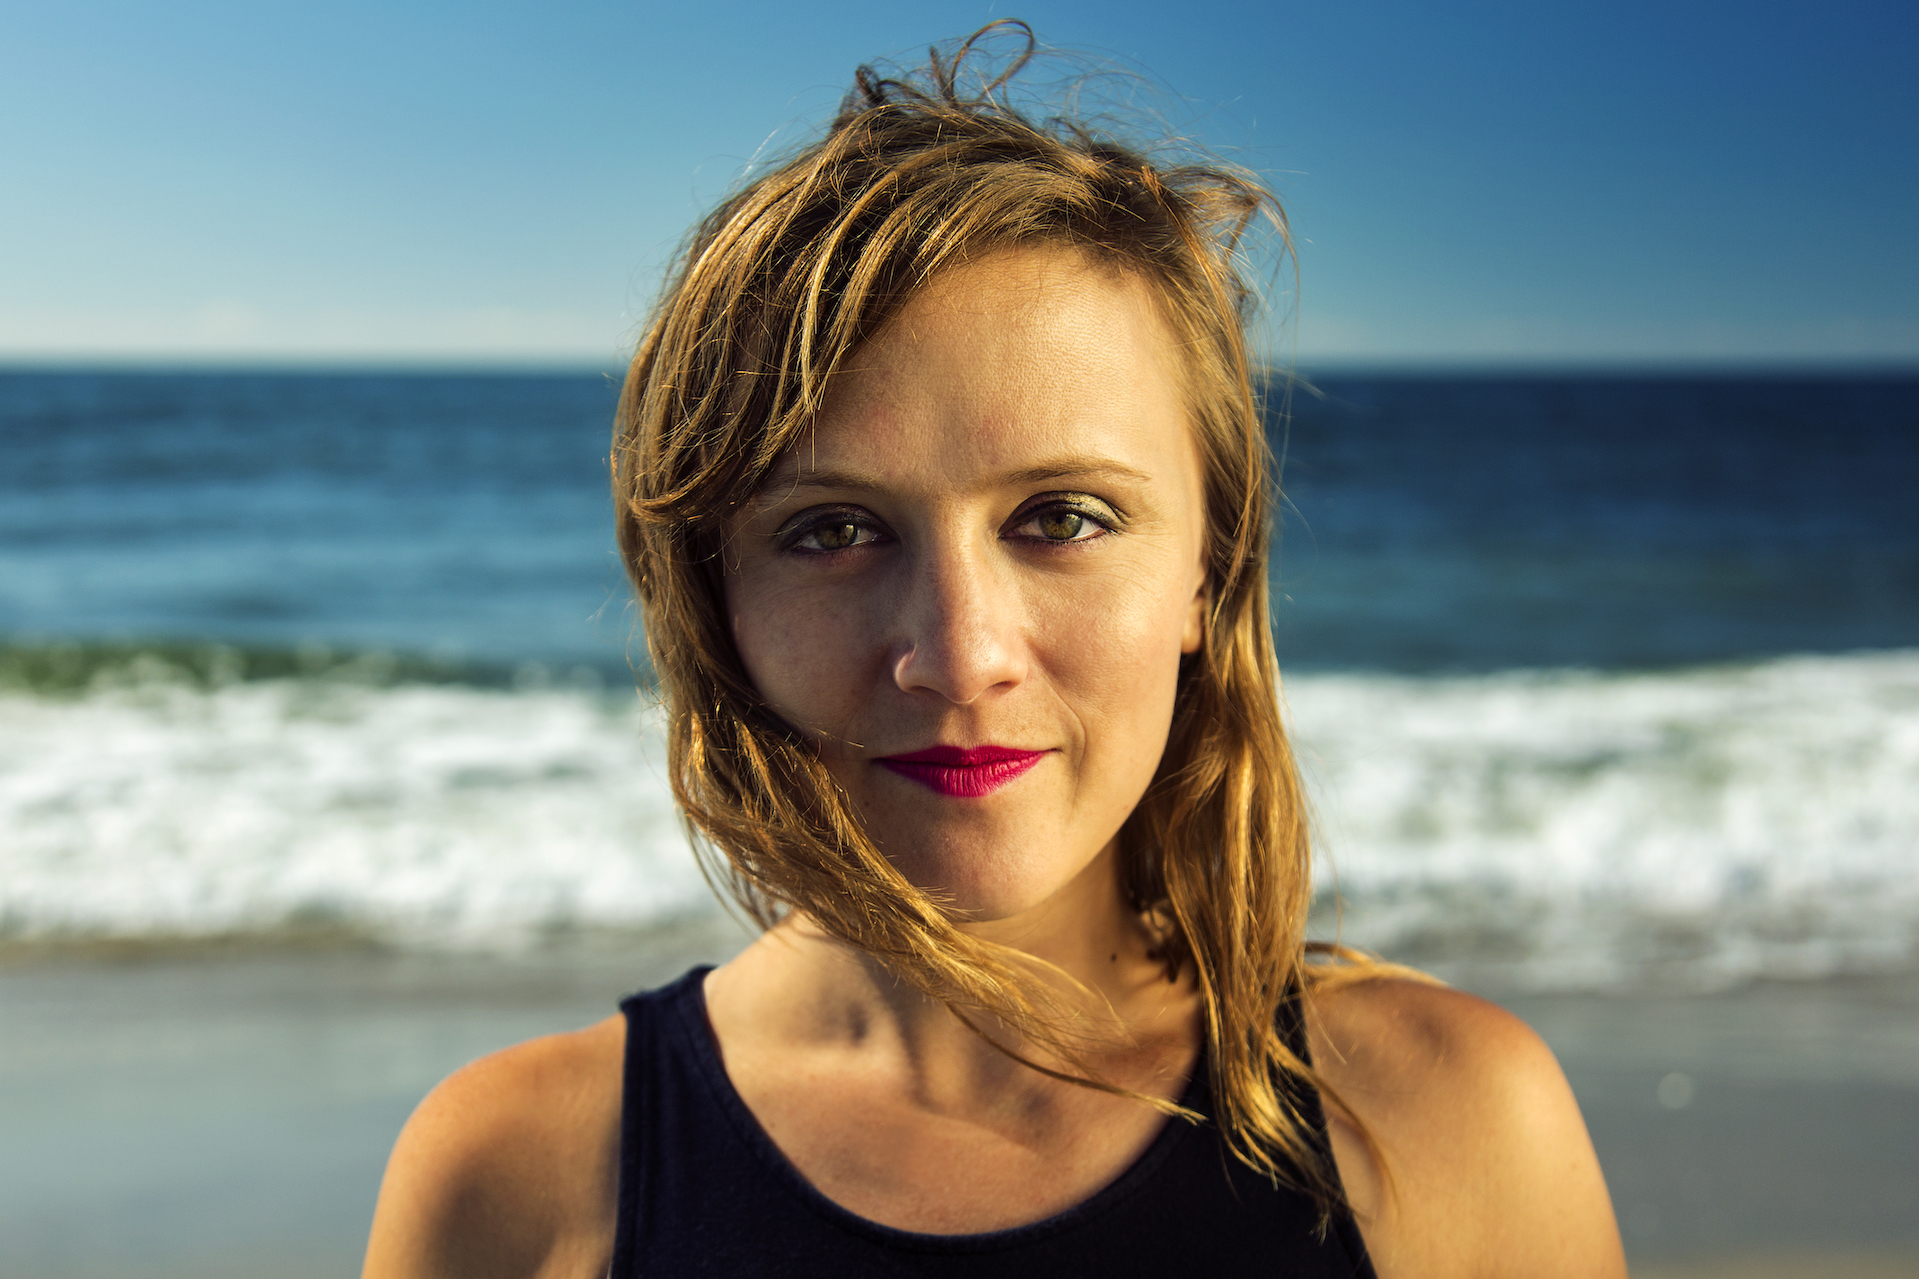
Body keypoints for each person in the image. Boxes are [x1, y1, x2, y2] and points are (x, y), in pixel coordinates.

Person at [362, 23, 1625, 1278]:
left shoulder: (1437, 1123)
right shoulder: (519, 1176)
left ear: (1209, 568)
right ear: (710, 598)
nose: (959, 658)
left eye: (1061, 518)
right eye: (833, 529)